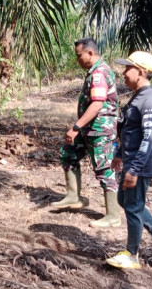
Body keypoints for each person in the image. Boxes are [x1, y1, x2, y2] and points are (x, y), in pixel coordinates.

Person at [106, 51, 152, 270]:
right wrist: (119, 153)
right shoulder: (138, 96)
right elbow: (130, 130)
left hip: (140, 163)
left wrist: (134, 169)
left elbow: (148, 137)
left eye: (127, 69)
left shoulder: (150, 99)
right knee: (126, 201)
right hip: (131, 160)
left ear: (140, 72)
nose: (123, 73)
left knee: (133, 205)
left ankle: (132, 254)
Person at [51, 38, 121, 228]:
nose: (77, 59)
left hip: (100, 130)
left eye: (79, 55)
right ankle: (74, 196)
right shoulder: (95, 71)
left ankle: (113, 215)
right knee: (68, 153)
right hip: (89, 129)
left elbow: (98, 103)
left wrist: (76, 127)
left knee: (105, 169)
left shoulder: (99, 73)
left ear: (90, 53)